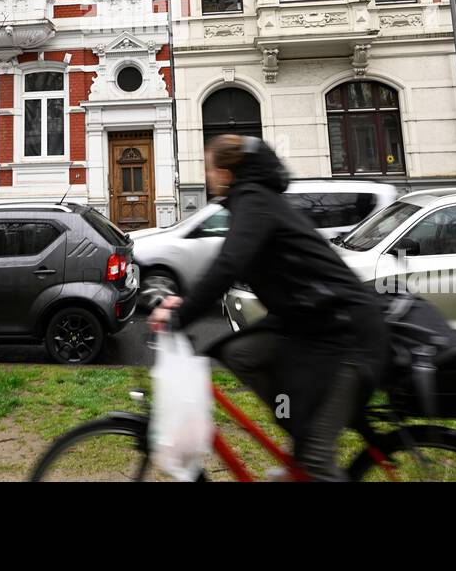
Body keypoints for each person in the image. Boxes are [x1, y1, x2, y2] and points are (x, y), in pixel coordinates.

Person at [150, 135, 390, 481]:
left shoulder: (255, 203)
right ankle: (297, 428)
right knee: (240, 351)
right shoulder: (250, 202)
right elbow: (227, 265)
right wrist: (184, 302)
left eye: (209, 168)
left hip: (349, 334)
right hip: (310, 326)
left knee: (317, 461)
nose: (206, 177)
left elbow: (229, 264)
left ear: (227, 173)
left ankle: (309, 452)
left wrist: (181, 315)